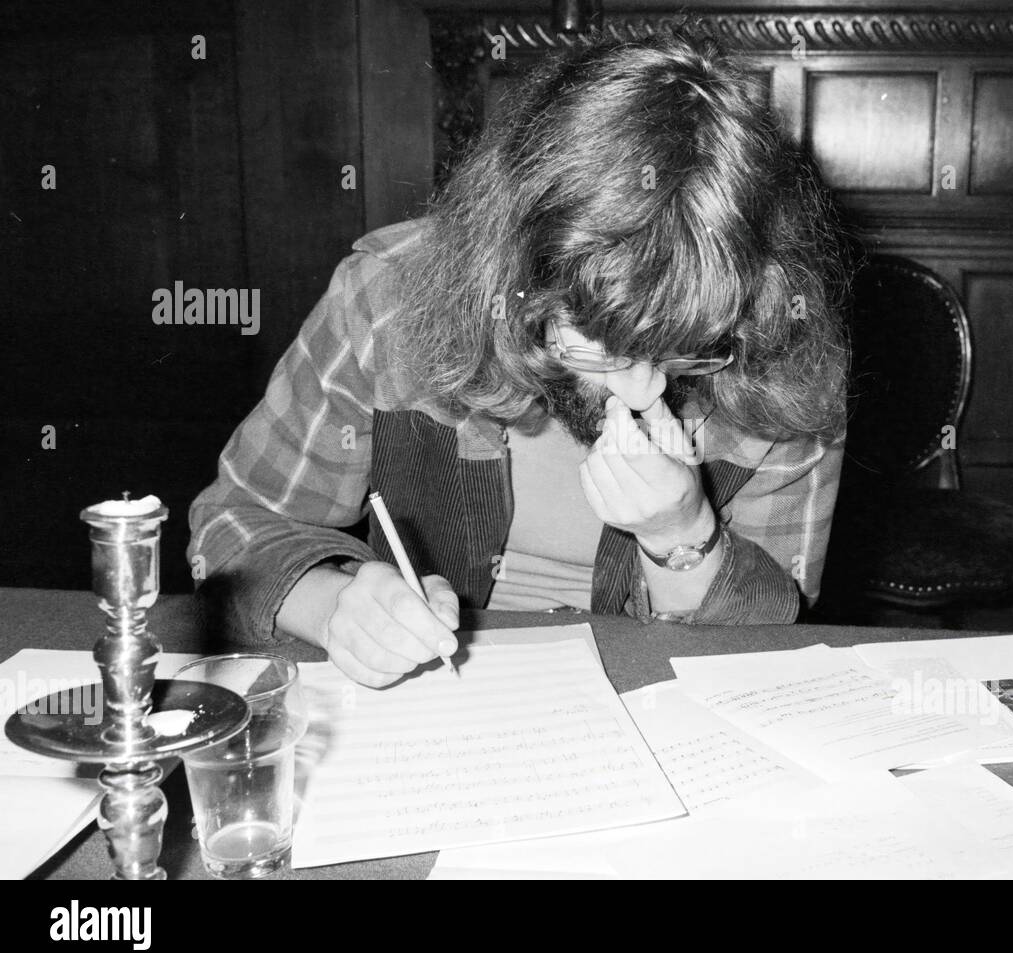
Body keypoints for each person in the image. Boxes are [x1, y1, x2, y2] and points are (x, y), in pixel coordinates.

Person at [188, 28, 849, 687]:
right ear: (516, 268)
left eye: (681, 347)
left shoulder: (783, 354)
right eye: (598, 339)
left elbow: (763, 648)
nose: (644, 386)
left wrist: (682, 531)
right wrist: (333, 604)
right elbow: (230, 527)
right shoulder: (388, 303)